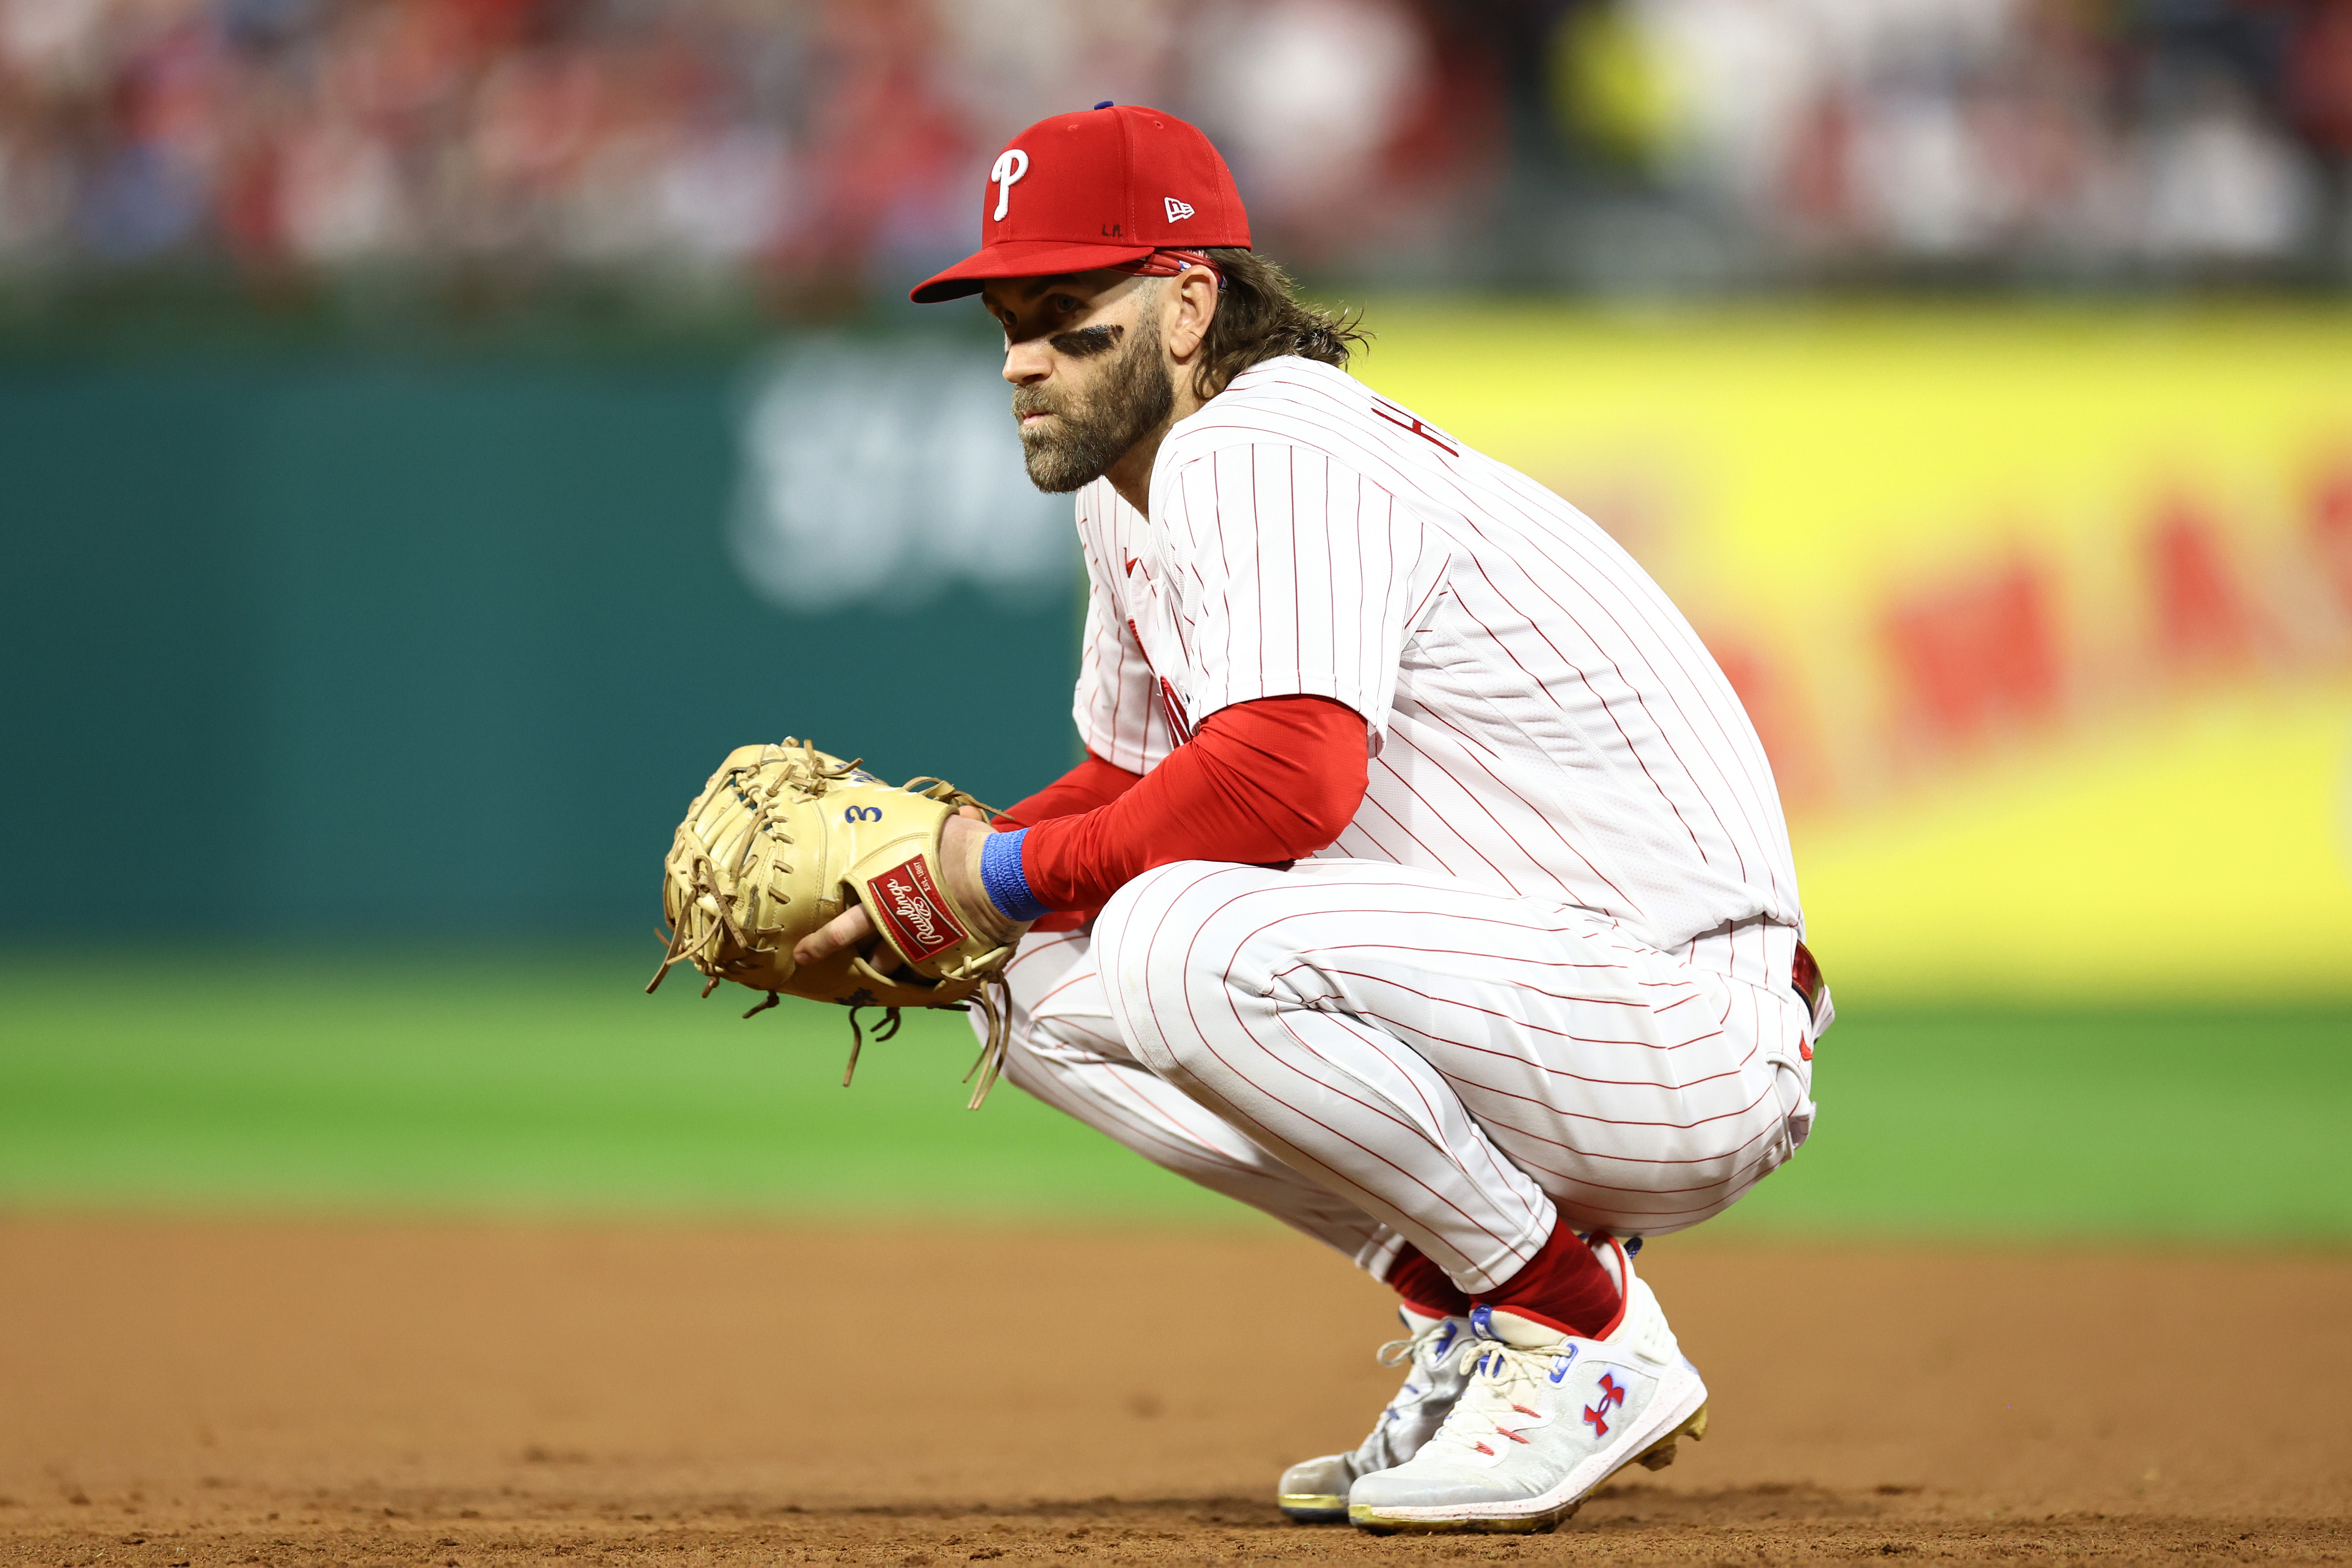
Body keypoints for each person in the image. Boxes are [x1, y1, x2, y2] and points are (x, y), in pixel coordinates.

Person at [795, 103, 1829, 1535]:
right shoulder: (1133, 488)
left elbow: (1287, 779)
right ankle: (1484, 1311)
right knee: (1021, 982)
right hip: (1532, 990)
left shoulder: (1266, 445)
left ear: (1187, 302)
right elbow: (1124, 783)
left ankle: (1577, 1331)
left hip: (1679, 1024)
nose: (1021, 358)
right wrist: (920, 892)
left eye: (1065, 315)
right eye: (1004, 321)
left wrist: (997, 870)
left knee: (1168, 933)